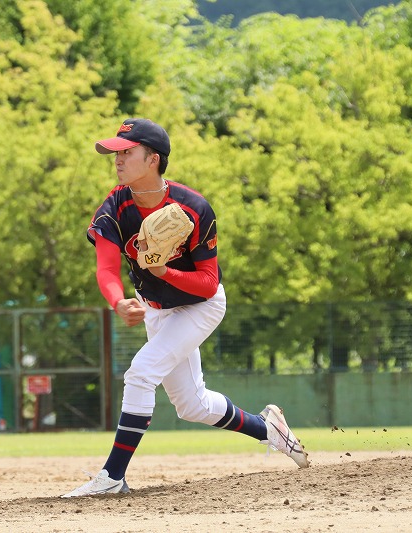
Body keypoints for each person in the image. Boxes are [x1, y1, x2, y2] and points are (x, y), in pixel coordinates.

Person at [62, 118, 309, 498]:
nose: (118, 159)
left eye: (127, 152)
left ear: (153, 159)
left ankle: (112, 477)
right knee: (192, 405)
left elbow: (209, 283)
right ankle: (268, 428)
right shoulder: (114, 209)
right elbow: (107, 269)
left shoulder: (193, 207)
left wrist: (163, 270)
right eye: (116, 153)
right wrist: (118, 301)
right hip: (155, 309)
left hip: (200, 306)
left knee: (141, 373)